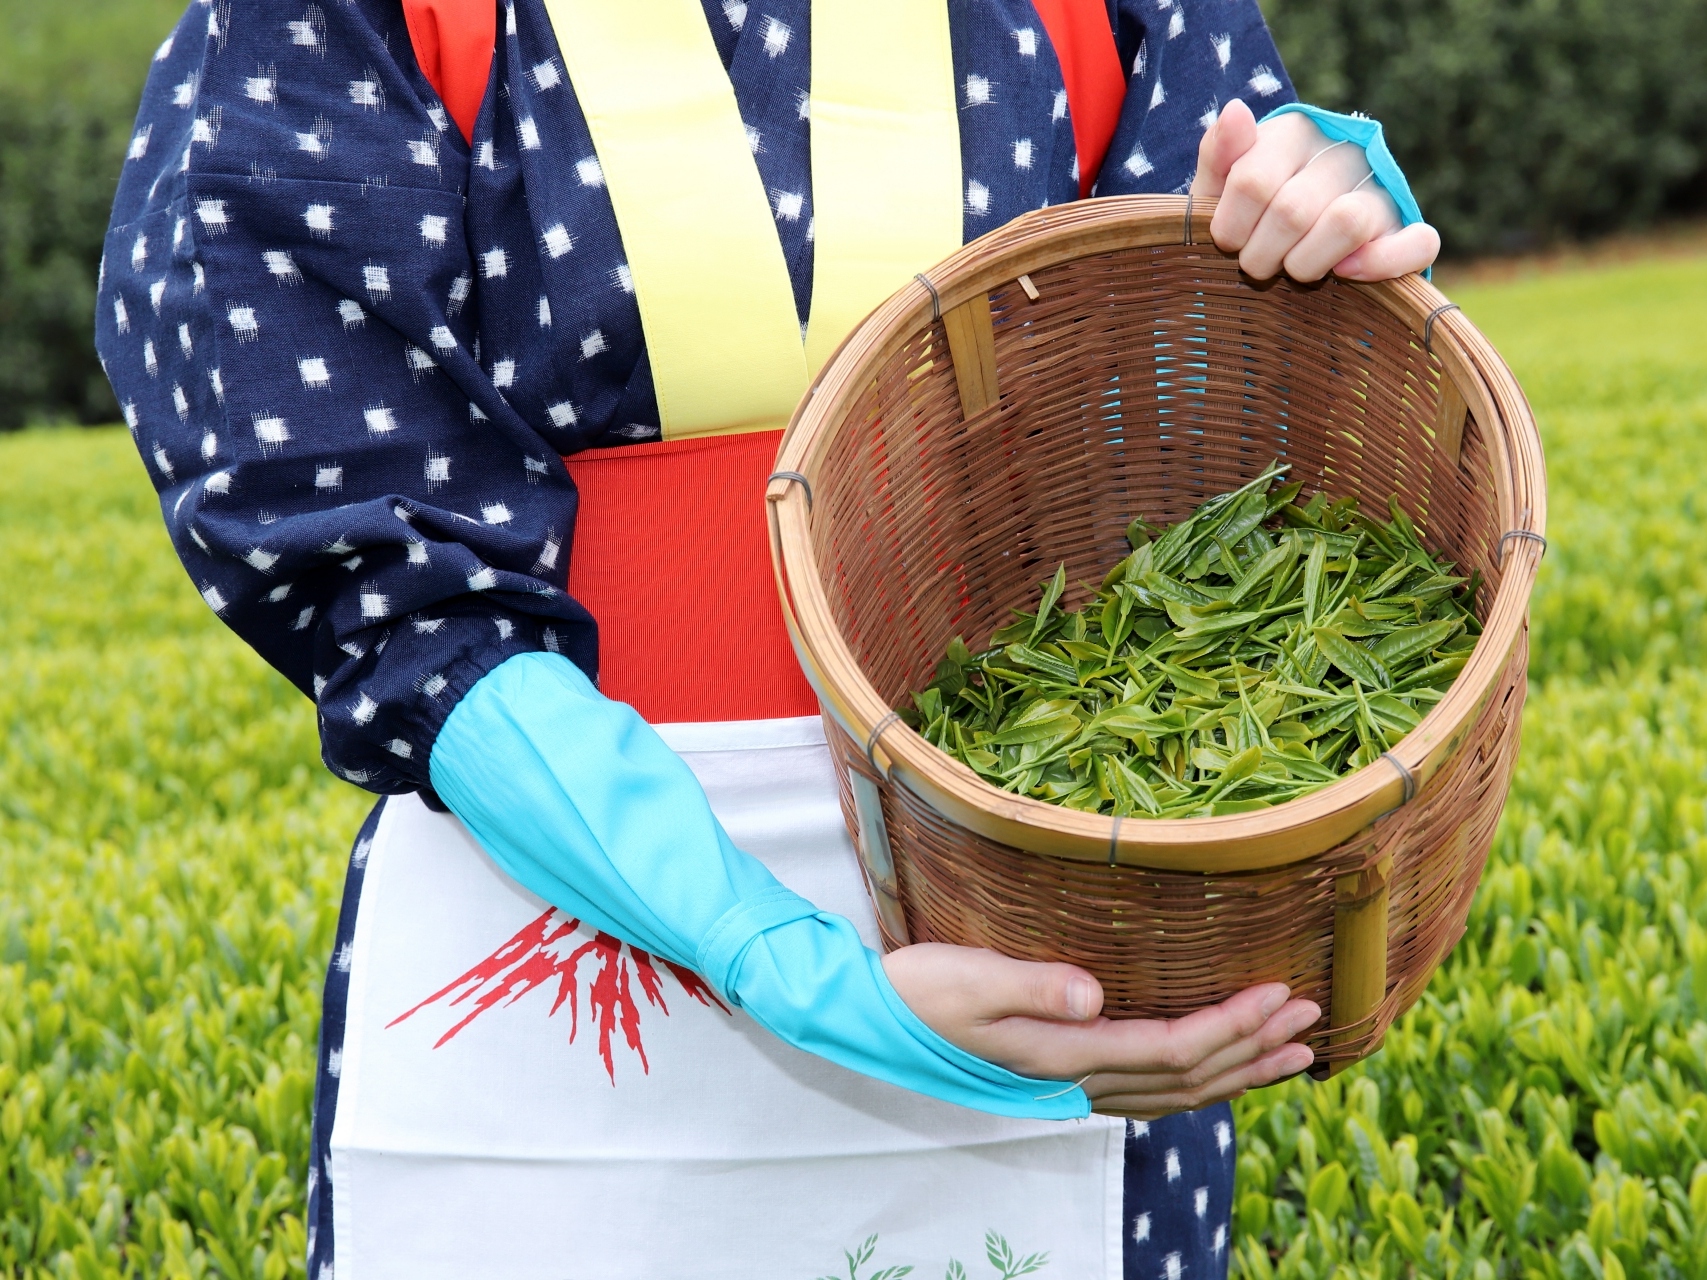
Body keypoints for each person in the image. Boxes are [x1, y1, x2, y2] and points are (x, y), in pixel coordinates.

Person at [97, 0, 1437, 1274]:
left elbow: (1235, 438)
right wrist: (786, 965)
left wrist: (1315, 229)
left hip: (1040, 904)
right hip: (558, 890)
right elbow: (372, 558)